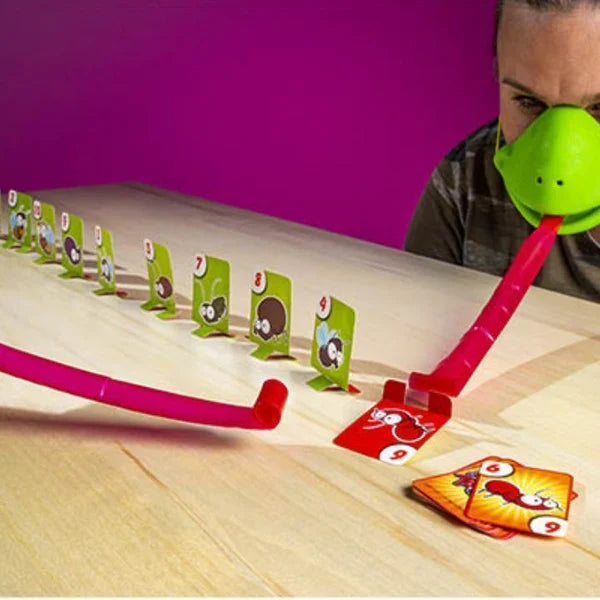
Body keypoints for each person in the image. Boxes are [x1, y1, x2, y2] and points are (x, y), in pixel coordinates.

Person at [404, 0, 600, 302]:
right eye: (528, 102)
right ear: (497, 71)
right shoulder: (464, 182)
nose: (556, 159)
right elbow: (411, 312)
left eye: (598, 108)